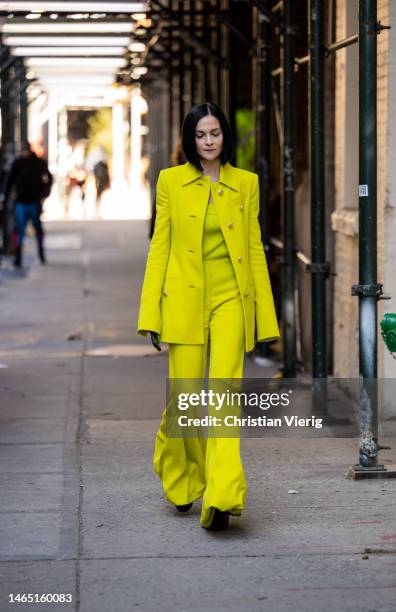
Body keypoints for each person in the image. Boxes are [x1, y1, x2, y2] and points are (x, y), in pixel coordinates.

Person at [137, 102, 280, 531]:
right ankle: (181, 476)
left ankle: (221, 495)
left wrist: (264, 318)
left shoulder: (246, 184)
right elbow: (159, 246)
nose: (209, 141)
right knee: (183, 400)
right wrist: (151, 313)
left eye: (215, 133)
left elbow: (254, 249)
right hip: (182, 299)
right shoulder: (170, 182)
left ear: (224, 136)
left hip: (231, 298)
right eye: (201, 135)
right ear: (190, 139)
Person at [3, 142, 53, 268]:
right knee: (19, 230)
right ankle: (18, 257)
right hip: (21, 202)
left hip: (34, 202)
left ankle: (40, 253)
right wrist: (7, 197)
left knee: (36, 229)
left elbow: (49, 179)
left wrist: (44, 194)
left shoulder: (38, 163)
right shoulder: (18, 163)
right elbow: (10, 181)